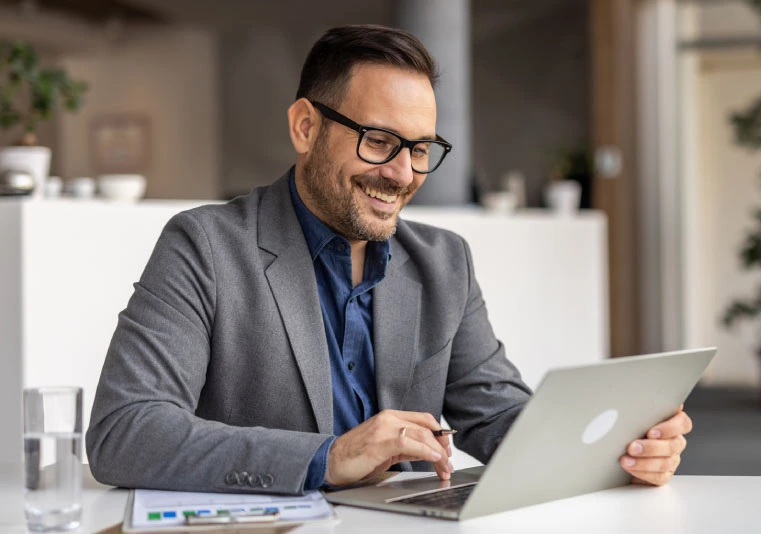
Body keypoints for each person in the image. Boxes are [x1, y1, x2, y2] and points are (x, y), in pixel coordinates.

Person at [86, 24, 692, 495]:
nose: (402, 173)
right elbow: (125, 431)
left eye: (421, 149)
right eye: (379, 141)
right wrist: (330, 457)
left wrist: (615, 447)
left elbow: (500, 412)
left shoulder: (443, 262)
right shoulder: (206, 246)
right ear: (304, 127)